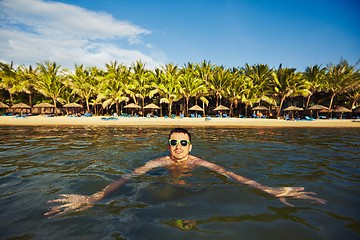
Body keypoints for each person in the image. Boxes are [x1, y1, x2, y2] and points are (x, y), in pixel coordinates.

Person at [45, 128, 326, 217]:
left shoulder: (198, 163)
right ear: (167, 145)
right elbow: (127, 177)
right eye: (173, 142)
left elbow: (231, 175)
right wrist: (93, 198)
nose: (177, 147)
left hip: (192, 190)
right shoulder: (158, 164)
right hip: (163, 189)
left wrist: (269, 189)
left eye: (182, 143)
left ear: (190, 146)